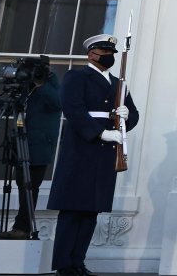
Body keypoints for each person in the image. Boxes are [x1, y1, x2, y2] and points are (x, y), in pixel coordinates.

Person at [48, 34, 139, 276]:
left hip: (104, 155)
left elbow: (134, 116)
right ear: (91, 54)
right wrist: (100, 133)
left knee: (91, 210)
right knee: (72, 209)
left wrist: (126, 116)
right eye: (103, 51)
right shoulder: (77, 77)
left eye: (111, 52)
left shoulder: (119, 84)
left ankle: (78, 261)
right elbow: (74, 110)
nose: (108, 56)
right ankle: (63, 264)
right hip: (81, 149)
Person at [0, 66, 61, 239]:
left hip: (39, 146)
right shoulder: (25, 90)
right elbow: (9, 107)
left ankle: (23, 228)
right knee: (22, 183)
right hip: (20, 142)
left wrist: (41, 83)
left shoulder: (50, 86)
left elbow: (58, 103)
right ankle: (20, 226)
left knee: (29, 187)